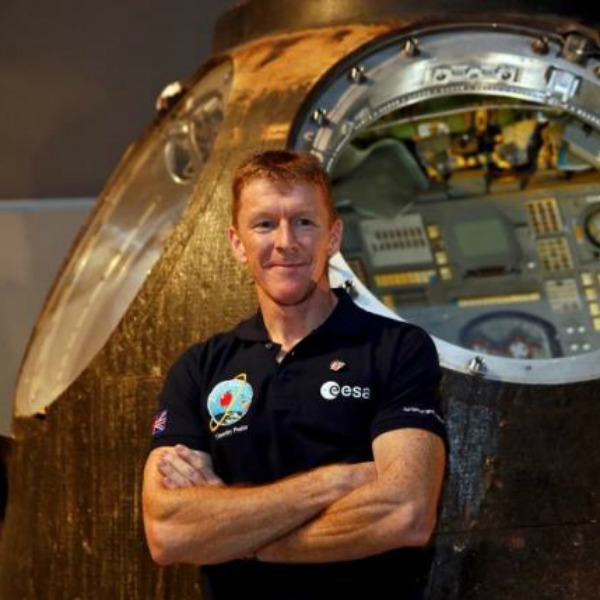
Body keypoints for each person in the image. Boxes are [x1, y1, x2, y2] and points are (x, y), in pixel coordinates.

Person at [142, 150, 447, 599]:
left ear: (334, 236)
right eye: (264, 224)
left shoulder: (396, 349)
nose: (286, 242)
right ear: (236, 243)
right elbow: (168, 533)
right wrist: (336, 481)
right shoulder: (201, 367)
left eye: (304, 222)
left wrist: (240, 539)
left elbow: (405, 513)